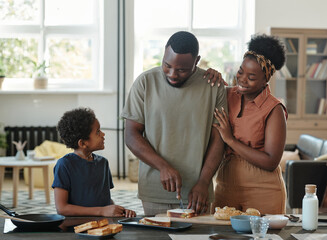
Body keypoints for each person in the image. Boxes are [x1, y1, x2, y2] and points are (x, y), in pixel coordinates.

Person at [121, 31, 227, 216]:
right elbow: (131, 135)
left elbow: (218, 139)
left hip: (198, 192)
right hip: (154, 191)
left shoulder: (213, 86)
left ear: (197, 60)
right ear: (163, 53)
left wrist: (203, 181)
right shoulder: (145, 82)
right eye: (167, 65)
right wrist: (163, 166)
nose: (172, 74)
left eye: (182, 70)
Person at [211, 34, 288, 214]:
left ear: (265, 80)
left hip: (264, 191)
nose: (242, 79)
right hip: (225, 186)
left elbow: (271, 161)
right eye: (240, 71)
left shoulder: (274, 109)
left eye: (251, 76)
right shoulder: (227, 95)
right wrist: (209, 75)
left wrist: (230, 140)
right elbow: (198, 90)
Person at [52, 107, 136, 217]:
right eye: (97, 132)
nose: (103, 134)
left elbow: (105, 201)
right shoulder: (64, 165)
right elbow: (62, 208)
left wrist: (119, 211)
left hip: (102, 227)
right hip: (75, 227)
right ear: (82, 143)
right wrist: (101, 211)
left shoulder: (103, 163)